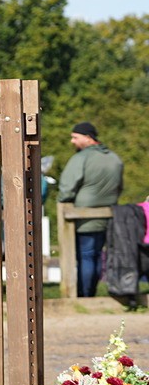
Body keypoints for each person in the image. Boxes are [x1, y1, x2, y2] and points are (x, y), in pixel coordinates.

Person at [58, 121, 123, 297]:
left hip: (83, 218)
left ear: (88, 138)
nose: (72, 141)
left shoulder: (81, 158)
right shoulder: (114, 158)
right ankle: (92, 292)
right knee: (96, 256)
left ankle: (84, 295)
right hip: (108, 216)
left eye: (75, 137)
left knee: (86, 256)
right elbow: (119, 187)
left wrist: (64, 201)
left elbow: (66, 187)